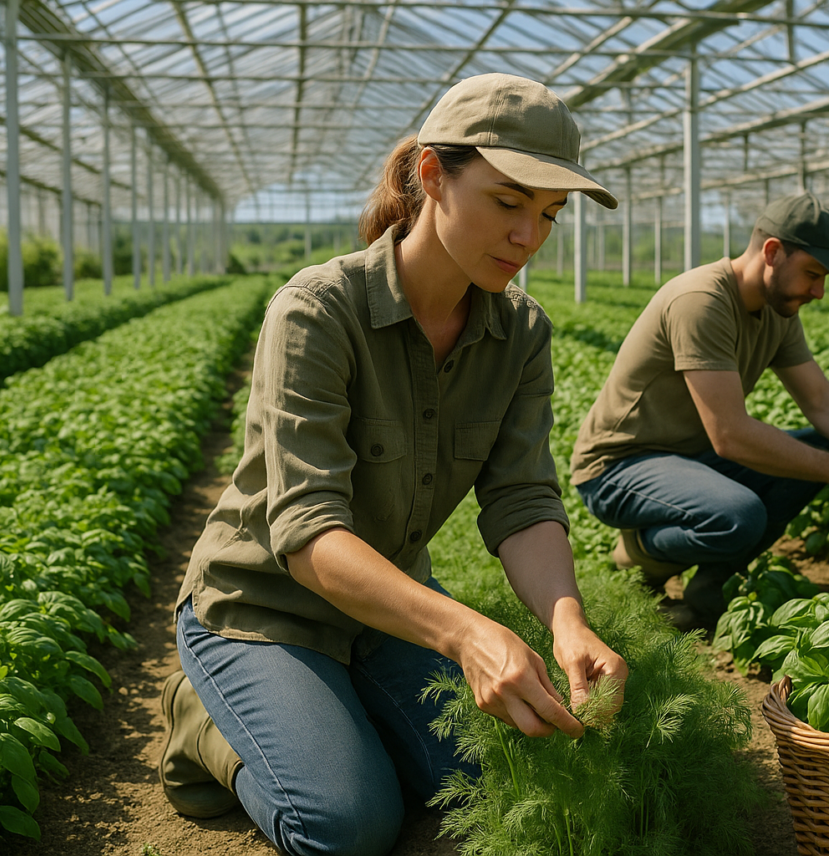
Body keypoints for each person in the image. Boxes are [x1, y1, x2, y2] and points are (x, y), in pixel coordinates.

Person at [158, 73, 628, 856]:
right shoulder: (319, 310)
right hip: (265, 608)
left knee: (500, 781)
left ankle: (339, 707)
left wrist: (565, 619)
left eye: (550, 215)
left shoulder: (520, 334)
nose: (529, 238)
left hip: (391, 606)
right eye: (509, 202)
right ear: (433, 176)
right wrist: (465, 635)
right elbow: (307, 534)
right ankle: (202, 719)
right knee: (348, 824)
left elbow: (520, 498)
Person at [569, 192, 829, 631]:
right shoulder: (701, 300)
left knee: (821, 447)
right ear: (773, 252)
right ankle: (641, 555)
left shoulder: (778, 311)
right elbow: (730, 435)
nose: (819, 292)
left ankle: (707, 596)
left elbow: (821, 400)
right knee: (740, 515)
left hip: (688, 460)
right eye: (813, 274)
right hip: (618, 466)